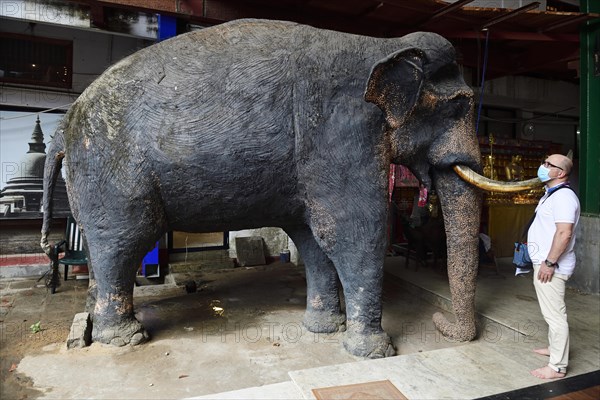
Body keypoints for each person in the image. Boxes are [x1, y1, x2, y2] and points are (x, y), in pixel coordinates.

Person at [527, 154, 580, 379]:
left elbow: (564, 233)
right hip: (545, 263)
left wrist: (549, 262)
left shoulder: (564, 197)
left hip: (552, 266)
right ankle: (553, 349)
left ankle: (557, 366)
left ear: (561, 173)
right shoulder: (552, 194)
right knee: (550, 313)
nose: (543, 166)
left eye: (549, 165)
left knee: (556, 316)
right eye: (544, 162)